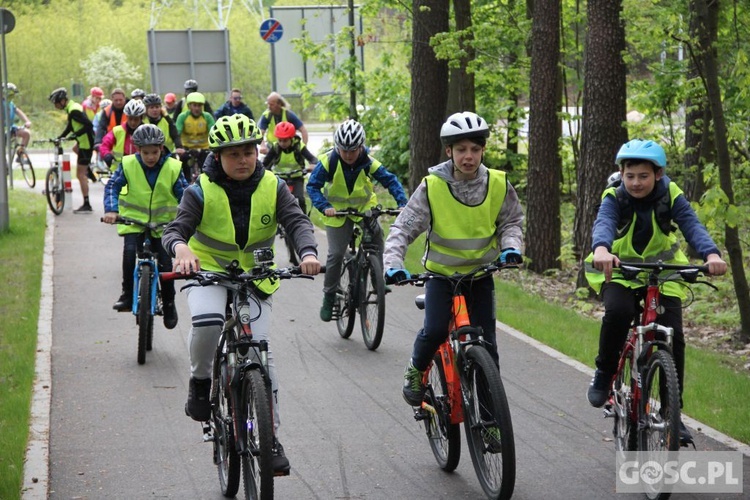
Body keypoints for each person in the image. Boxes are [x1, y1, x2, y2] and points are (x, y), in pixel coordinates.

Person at [162, 114, 321, 474]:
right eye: (233, 154)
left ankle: (270, 436)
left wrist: (308, 252)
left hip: (256, 277)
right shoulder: (199, 190)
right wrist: (182, 251)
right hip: (209, 274)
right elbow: (175, 231)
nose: (243, 160)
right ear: (217, 157)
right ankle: (201, 382)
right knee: (208, 321)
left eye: (248, 151)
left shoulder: (273, 185)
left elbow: (296, 221)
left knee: (260, 357)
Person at [584, 138, 727, 444]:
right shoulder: (615, 196)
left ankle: (672, 414)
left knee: (673, 336)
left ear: (658, 174)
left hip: (663, 272)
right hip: (621, 271)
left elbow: (691, 224)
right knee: (619, 312)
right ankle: (605, 372)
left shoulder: (669, 194)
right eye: (630, 175)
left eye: (643, 176)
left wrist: (710, 254)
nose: (636, 182)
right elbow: (604, 223)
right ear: (622, 174)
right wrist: (601, 249)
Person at [381, 111, 524, 407]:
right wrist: (393, 263)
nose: (468, 156)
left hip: (480, 275)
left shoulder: (498, 183)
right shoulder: (432, 186)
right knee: (434, 330)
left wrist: (511, 247)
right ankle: (415, 370)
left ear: (483, 150)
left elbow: (511, 222)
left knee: (488, 346)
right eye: (461, 150)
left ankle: (490, 418)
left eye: (474, 149)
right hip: (441, 277)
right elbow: (404, 228)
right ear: (449, 151)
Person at [306, 119, 408, 322]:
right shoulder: (329, 161)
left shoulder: (368, 161)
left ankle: (376, 276)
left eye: (353, 150)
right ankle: (328, 296)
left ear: (360, 147)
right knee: (335, 254)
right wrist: (324, 207)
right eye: (344, 150)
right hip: (337, 213)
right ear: (338, 147)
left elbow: (390, 180)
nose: (348, 155)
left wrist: (402, 203)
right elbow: (312, 186)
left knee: (377, 237)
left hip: (364, 209)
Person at [102, 124, 189, 328]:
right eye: (145, 152)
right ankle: (127, 294)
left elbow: (185, 194)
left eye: (155, 152)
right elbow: (113, 186)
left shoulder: (173, 167)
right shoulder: (128, 164)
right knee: (130, 253)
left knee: (167, 266)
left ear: (161, 149)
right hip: (134, 222)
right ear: (137, 150)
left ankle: (169, 303)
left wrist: (186, 218)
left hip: (164, 225)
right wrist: (111, 210)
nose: (150, 157)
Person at [48, 87, 96, 213]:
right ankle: (88, 169)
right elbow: (70, 126)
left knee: (79, 174)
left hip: (86, 143)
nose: (55, 106)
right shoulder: (72, 108)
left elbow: (88, 125)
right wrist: (59, 137)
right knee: (75, 149)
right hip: (83, 142)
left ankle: (87, 204)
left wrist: (76, 135)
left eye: (56, 103)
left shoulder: (74, 110)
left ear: (62, 101)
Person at [262, 121, 317, 214]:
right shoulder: (275, 147)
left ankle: (304, 221)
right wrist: (266, 171)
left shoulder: (299, 146)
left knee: (300, 199)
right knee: (274, 199)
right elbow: (265, 163)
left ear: (291, 138)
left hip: (297, 177)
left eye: (285, 140)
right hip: (278, 178)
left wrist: (312, 165)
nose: (282, 143)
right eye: (280, 140)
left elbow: (313, 159)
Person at [175, 91, 215, 182]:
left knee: (209, 164)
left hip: (204, 147)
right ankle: (185, 182)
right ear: (189, 106)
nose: (197, 108)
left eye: (199, 105)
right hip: (187, 147)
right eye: (194, 105)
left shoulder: (207, 117)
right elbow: (177, 134)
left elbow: (214, 132)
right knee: (182, 162)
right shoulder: (183, 117)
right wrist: (179, 147)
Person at [99, 99, 146, 171]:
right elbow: (104, 145)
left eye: (136, 119)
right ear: (126, 117)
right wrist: (106, 155)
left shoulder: (147, 131)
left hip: (141, 170)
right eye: (130, 119)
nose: (133, 122)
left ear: (141, 118)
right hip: (119, 171)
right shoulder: (117, 131)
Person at [3, 83, 32, 158]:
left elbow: (18, 112)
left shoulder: (11, 104)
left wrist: (27, 121)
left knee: (26, 133)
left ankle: (20, 154)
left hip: (10, 128)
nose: (13, 97)